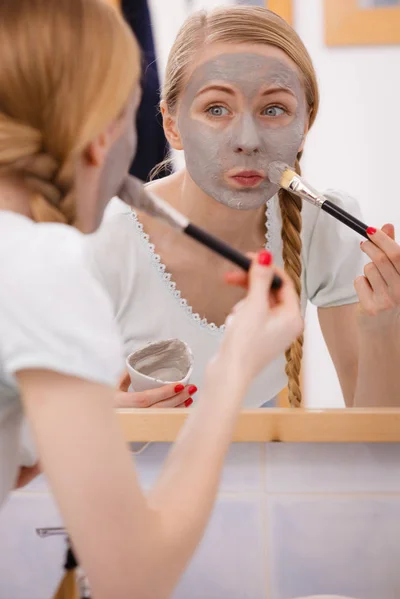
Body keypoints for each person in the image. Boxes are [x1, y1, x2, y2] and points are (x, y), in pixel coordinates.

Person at [0, 1, 303, 598]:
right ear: (102, 139)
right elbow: (132, 579)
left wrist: (36, 437)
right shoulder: (44, 265)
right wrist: (231, 371)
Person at [86, 5, 400, 409]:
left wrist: (383, 326)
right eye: (217, 109)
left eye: (274, 109)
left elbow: (371, 443)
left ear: (305, 126)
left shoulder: (323, 228)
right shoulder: (102, 244)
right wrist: (99, 417)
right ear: (171, 125)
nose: (247, 140)